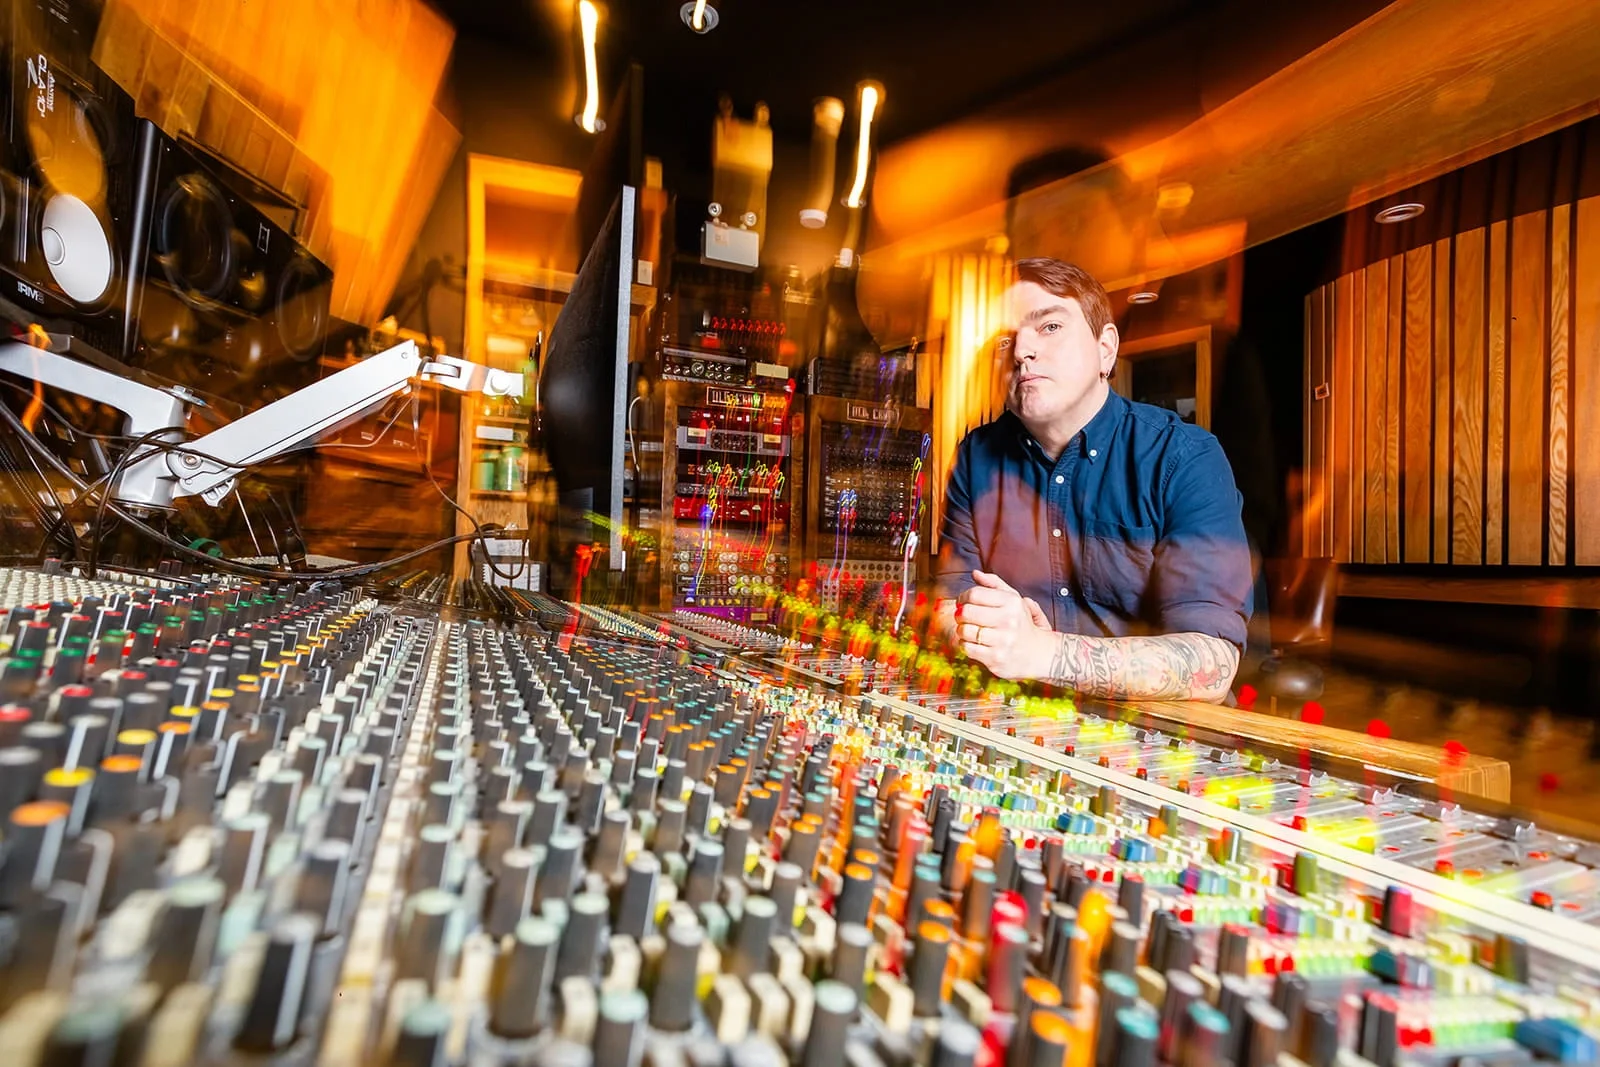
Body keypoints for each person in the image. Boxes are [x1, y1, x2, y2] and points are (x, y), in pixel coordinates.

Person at [934, 258, 1252, 703]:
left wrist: (1043, 653)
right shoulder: (977, 456)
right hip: (1023, 717)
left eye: (1048, 327)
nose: (1021, 350)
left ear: (1106, 349)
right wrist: (981, 628)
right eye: (1005, 338)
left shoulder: (1184, 457)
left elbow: (1212, 665)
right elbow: (948, 606)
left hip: (1160, 736)